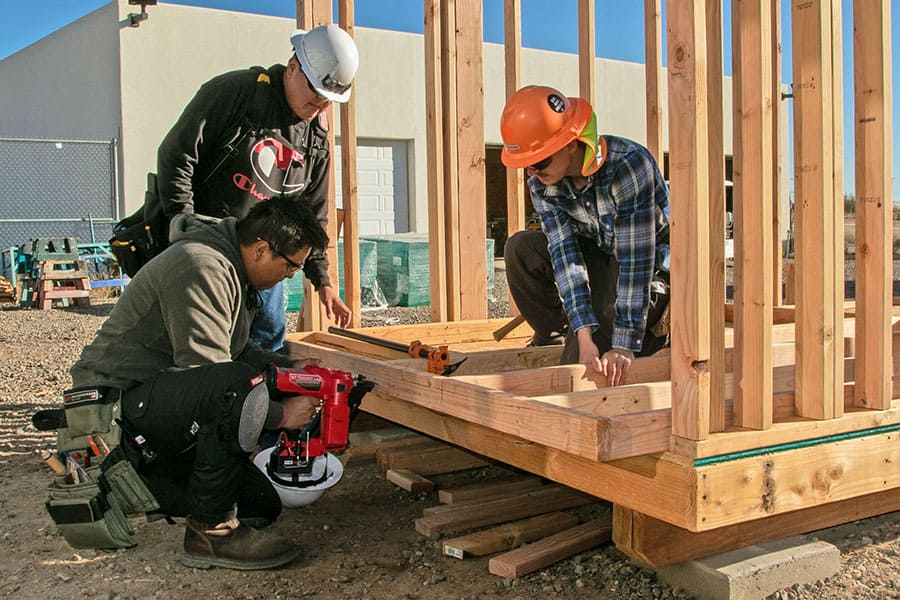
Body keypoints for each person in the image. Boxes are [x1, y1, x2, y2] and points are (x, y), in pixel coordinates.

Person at [70, 197, 330, 570]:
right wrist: (280, 415)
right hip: (111, 412)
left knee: (262, 504)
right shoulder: (201, 265)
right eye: (290, 267)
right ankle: (211, 532)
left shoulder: (231, 268)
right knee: (231, 389)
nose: (289, 277)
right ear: (261, 249)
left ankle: (141, 489)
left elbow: (238, 352)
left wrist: (292, 367)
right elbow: (214, 378)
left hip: (153, 403)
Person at [150, 24, 359, 351]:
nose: (319, 106)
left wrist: (323, 281)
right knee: (198, 340)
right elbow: (177, 154)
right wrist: (183, 223)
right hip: (208, 245)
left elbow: (313, 214)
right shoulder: (237, 93)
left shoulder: (315, 138)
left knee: (265, 343)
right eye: (316, 94)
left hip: (266, 256)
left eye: (327, 101)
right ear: (293, 68)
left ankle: (265, 402)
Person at [499, 85, 670, 386]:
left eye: (539, 162)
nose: (532, 173)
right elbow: (565, 258)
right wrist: (583, 332)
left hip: (649, 268)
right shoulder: (543, 185)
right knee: (520, 248)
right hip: (602, 258)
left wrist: (623, 344)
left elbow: (635, 262)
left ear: (569, 144)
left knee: (590, 354)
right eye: (527, 166)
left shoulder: (628, 166)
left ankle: (646, 336)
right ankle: (554, 335)